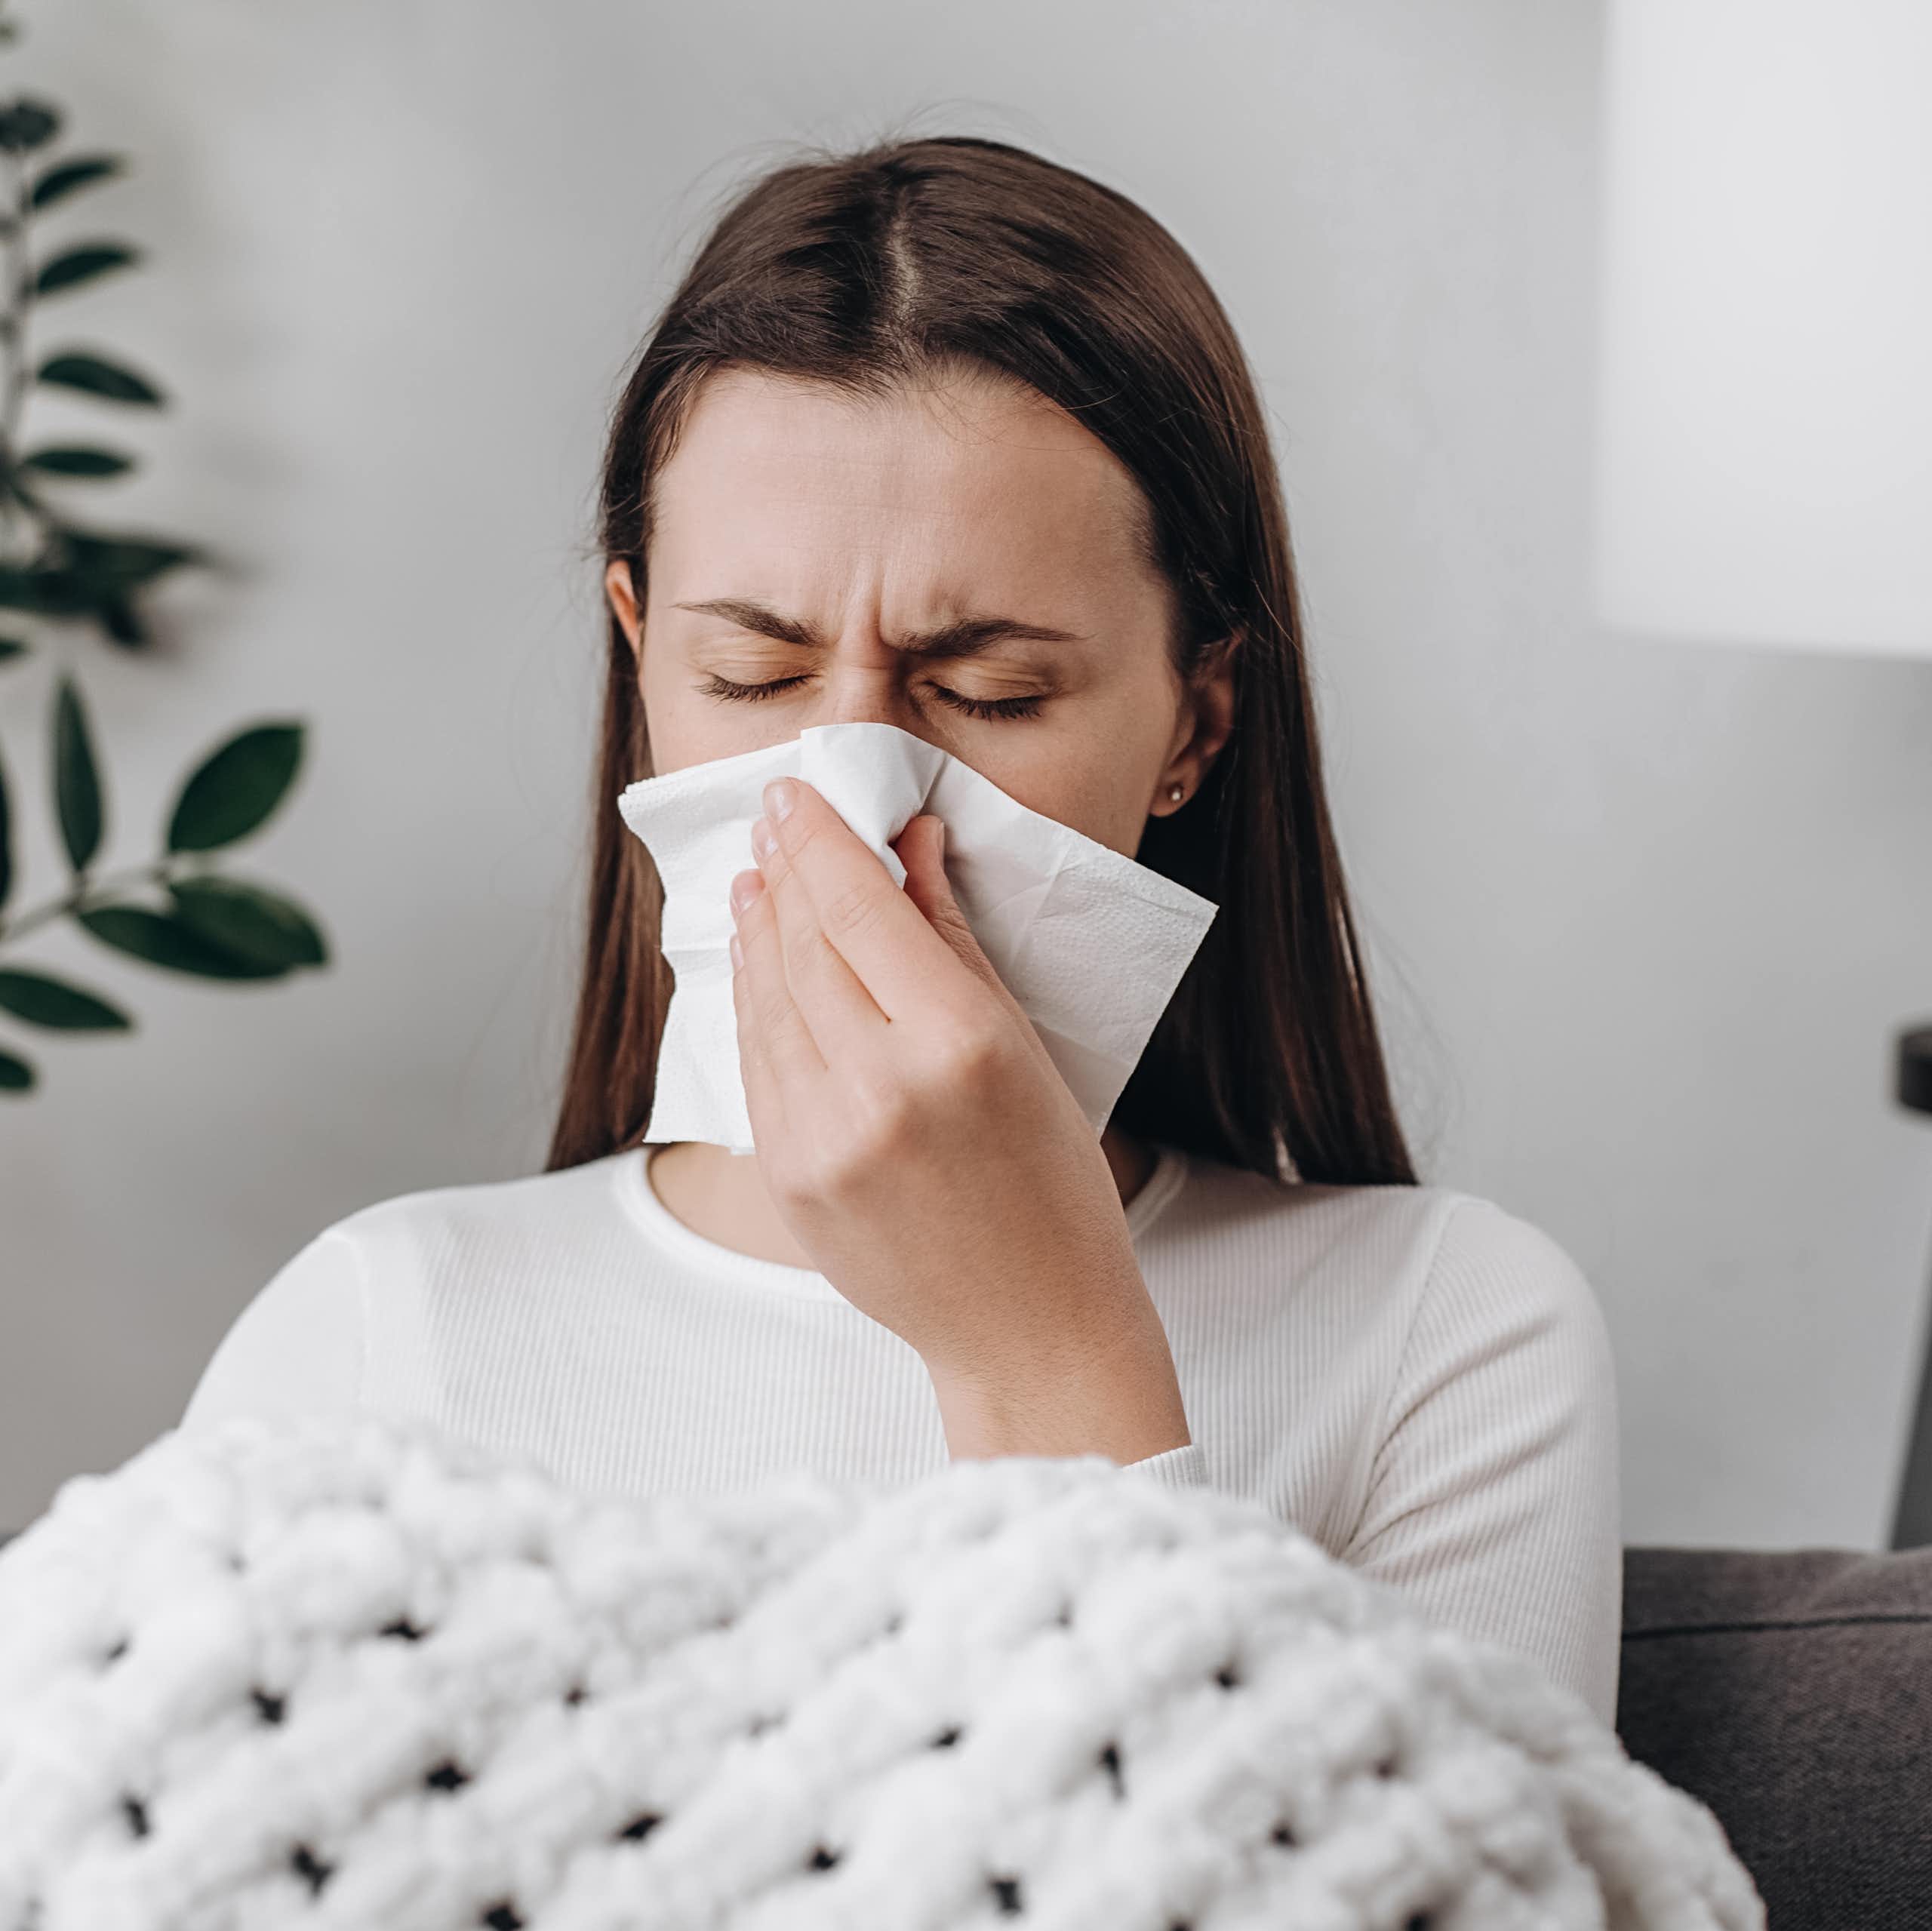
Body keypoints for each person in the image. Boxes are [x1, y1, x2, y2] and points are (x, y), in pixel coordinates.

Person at [181, 134, 1623, 1723]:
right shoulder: (387, 1330)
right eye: (750, 675)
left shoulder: (1439, 1333)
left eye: (987, 690)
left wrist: (1048, 1356)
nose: (856, 809)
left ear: (1191, 723)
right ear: (640, 663)